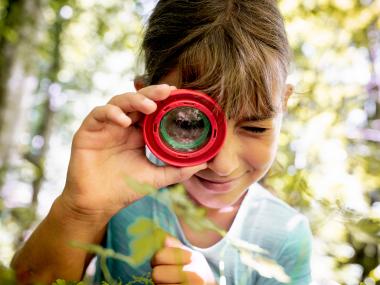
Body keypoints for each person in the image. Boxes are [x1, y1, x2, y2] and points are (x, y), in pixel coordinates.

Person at [11, 0, 312, 284]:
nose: (222, 165)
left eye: (256, 128)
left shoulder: (285, 236)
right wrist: (81, 208)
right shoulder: (121, 194)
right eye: (188, 123)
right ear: (146, 100)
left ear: (283, 101)